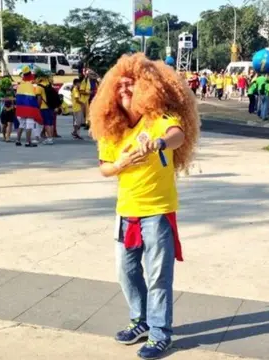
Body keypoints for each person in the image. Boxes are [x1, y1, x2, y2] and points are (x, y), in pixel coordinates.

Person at [91, 53, 199, 360]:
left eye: (132, 84)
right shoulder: (112, 128)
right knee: (126, 273)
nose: (125, 89)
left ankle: (160, 333)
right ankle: (139, 320)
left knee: (158, 277)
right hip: (126, 213)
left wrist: (159, 144)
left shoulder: (158, 121)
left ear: (146, 88)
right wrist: (122, 163)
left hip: (158, 212)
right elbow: (105, 167)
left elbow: (176, 135)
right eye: (120, 85)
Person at [14, 66, 42, 147]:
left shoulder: (21, 83)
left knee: (21, 124)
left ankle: (18, 140)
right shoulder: (33, 84)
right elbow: (38, 96)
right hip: (30, 106)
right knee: (29, 124)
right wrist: (38, 106)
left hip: (21, 106)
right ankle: (27, 142)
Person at [35, 70, 58, 145]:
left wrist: (37, 107)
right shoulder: (48, 84)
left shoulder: (39, 87)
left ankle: (49, 139)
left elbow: (39, 99)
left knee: (46, 123)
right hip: (51, 106)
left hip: (44, 107)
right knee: (50, 123)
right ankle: (50, 138)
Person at [0, 77, 16, 142]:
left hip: (11, 110)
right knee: (4, 125)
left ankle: (8, 137)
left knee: (10, 124)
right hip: (3, 111)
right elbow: (0, 99)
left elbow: (14, 99)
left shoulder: (12, 91)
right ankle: (4, 136)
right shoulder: (0, 92)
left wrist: (13, 105)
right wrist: (11, 99)